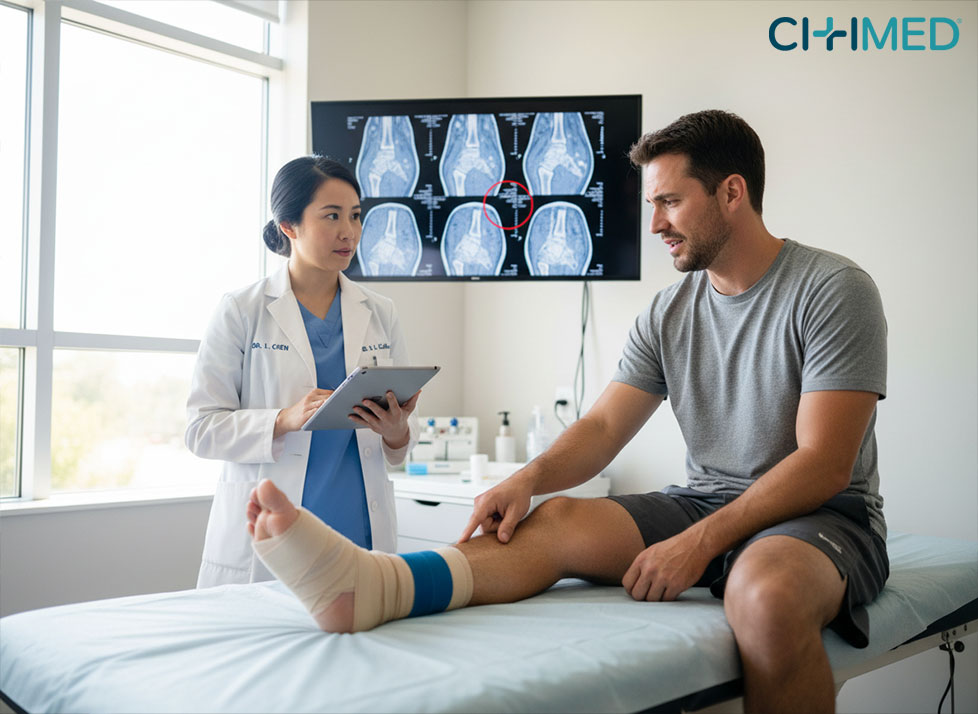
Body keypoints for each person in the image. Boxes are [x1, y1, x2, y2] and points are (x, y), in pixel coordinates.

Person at [243, 111, 889, 714]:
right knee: (550, 522)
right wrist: (527, 479)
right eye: (652, 205)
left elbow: (824, 464)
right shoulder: (670, 312)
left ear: (731, 193)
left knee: (765, 597)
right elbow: (605, 427)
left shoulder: (832, 290)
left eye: (670, 201)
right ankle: (376, 588)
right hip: (706, 501)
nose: (656, 223)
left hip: (819, 517)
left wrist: (701, 541)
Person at [186, 156, 420, 588]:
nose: (348, 231)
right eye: (331, 216)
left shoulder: (380, 313)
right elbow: (201, 429)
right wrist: (281, 419)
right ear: (289, 225)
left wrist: (396, 430)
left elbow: (400, 449)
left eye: (355, 216)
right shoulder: (242, 310)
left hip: (360, 533)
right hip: (271, 539)